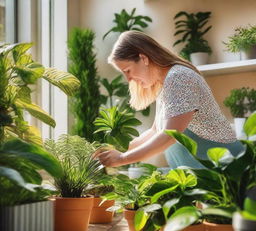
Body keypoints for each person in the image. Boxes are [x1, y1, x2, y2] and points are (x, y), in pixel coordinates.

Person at [95, 30, 244, 168]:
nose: (128, 79)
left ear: (143, 58)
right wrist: (116, 149)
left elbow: (169, 135)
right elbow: (155, 131)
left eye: (128, 70)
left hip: (229, 173)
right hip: (206, 179)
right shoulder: (166, 84)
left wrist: (122, 159)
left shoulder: (179, 77)